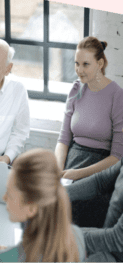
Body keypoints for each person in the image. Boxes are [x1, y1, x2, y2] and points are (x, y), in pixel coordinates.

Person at [55, 36, 123, 227]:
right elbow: (63, 139)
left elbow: (117, 157)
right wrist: (58, 170)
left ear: (100, 63)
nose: (79, 70)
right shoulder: (76, 89)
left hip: (100, 171)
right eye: (76, 63)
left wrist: (77, 175)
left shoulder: (117, 96)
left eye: (85, 64)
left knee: (74, 209)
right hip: (72, 162)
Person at [0, 149, 86, 262]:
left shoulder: (0, 259)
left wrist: (6, 256)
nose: (4, 198)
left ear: (31, 208)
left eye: (9, 194)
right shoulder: (77, 237)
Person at [67, 157, 123, 262]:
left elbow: (118, 240)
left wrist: (62, 236)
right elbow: (100, 181)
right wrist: (59, 194)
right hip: (107, 245)